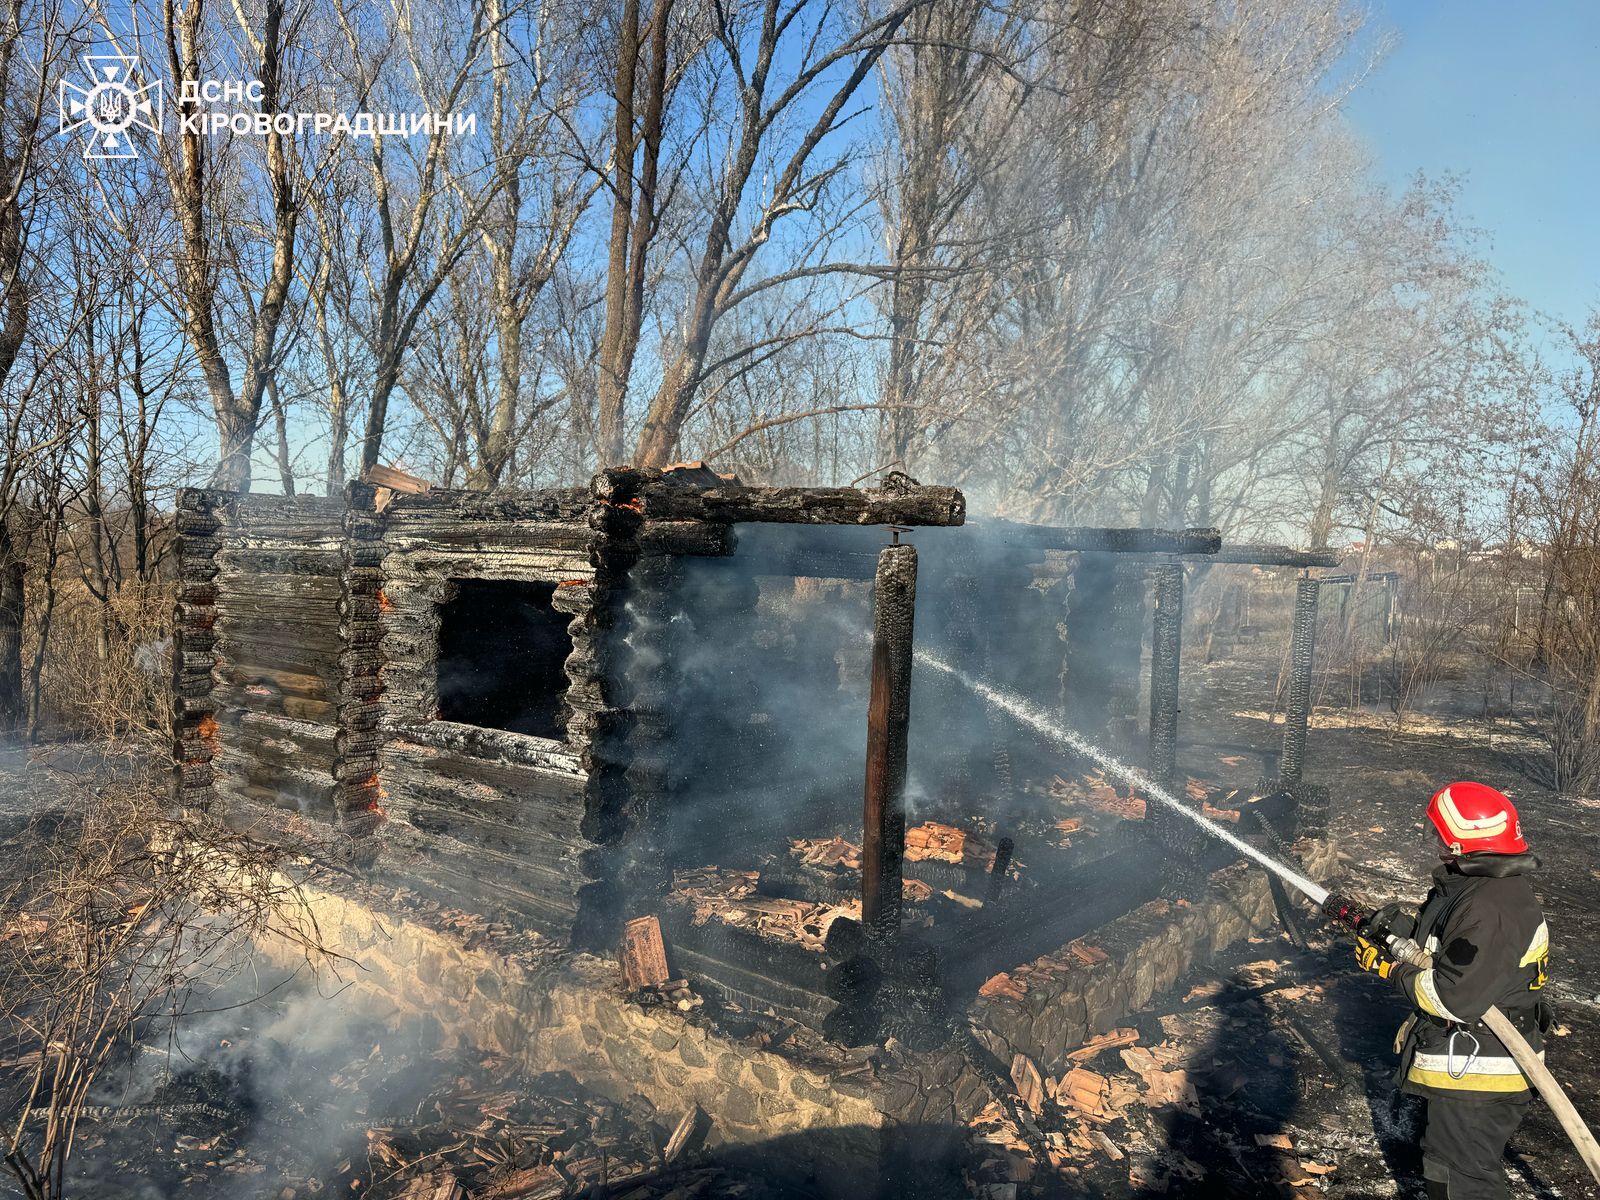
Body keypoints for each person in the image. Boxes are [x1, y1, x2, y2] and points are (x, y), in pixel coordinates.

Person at [1354, 781, 1551, 1200]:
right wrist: (1399, 932)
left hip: (1482, 1075)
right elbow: (1450, 951)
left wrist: (1390, 970)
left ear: (1464, 843)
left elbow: (1452, 997)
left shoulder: (1490, 908)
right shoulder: (1477, 890)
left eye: (1440, 835)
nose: (1435, 842)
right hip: (1476, 1068)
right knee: (1451, 1171)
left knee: (1462, 1182)